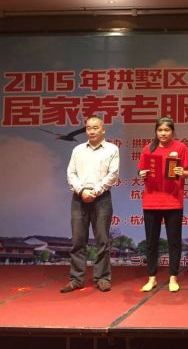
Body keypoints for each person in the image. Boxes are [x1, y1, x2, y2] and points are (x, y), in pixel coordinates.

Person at [62, 115, 120, 293]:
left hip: (101, 198)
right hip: (79, 197)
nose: (92, 131)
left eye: (96, 128)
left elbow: (113, 174)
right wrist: (81, 191)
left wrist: (95, 191)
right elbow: (71, 173)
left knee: (102, 240)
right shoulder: (78, 150)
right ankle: (76, 279)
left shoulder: (112, 149)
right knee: (77, 240)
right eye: (88, 128)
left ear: (103, 130)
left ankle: (102, 278)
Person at [137, 117, 188, 293]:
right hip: (151, 201)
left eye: (166, 130)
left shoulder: (180, 147)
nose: (163, 133)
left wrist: (182, 172)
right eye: (160, 130)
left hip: (173, 201)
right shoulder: (148, 148)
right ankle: (151, 278)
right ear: (156, 132)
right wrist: (142, 173)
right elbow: (141, 170)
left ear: (172, 131)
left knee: (174, 242)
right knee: (151, 242)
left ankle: (173, 277)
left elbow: (187, 172)